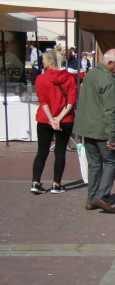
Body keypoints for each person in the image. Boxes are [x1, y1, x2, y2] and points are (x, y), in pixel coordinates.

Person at [73, 49, 115, 213]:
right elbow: (110, 110)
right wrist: (112, 136)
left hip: (87, 128)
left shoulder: (91, 74)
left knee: (94, 164)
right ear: (110, 63)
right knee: (110, 162)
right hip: (102, 128)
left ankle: (91, 199)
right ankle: (101, 196)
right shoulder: (109, 80)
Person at [30, 49, 77, 194]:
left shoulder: (41, 79)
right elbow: (71, 101)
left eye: (44, 59)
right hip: (65, 118)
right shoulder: (69, 78)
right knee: (60, 151)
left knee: (42, 151)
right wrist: (59, 118)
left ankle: (36, 182)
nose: (42, 62)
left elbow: (43, 101)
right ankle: (56, 183)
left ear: (50, 61)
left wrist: (51, 119)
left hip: (45, 119)